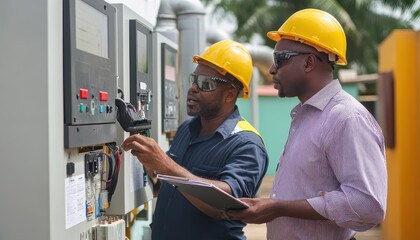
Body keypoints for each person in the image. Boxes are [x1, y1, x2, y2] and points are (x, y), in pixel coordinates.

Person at [226, 8, 388, 240]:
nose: (272, 69)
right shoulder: (307, 115)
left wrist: (278, 207)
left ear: (309, 62)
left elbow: (367, 205)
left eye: (279, 60)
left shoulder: (346, 118)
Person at [121, 39, 269, 240]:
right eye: (194, 79)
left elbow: (225, 203)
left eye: (205, 84)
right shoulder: (187, 129)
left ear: (230, 95)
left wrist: (166, 166)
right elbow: (168, 189)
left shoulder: (246, 143)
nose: (193, 88)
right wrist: (149, 166)